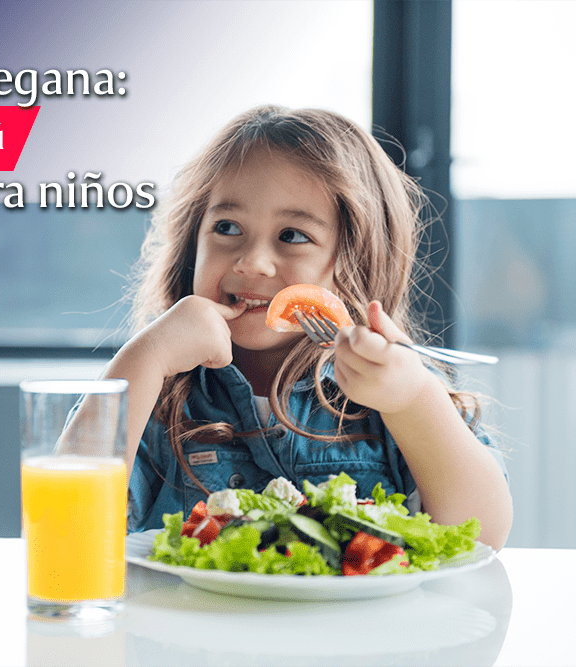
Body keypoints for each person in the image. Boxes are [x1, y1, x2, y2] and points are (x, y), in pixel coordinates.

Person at [102, 105, 513, 550]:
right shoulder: (159, 394)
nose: (252, 262)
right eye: (227, 227)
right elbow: (69, 525)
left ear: (358, 260)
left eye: (292, 235)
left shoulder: (394, 390)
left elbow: (481, 536)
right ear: (190, 246)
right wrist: (141, 361)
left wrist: (414, 400)